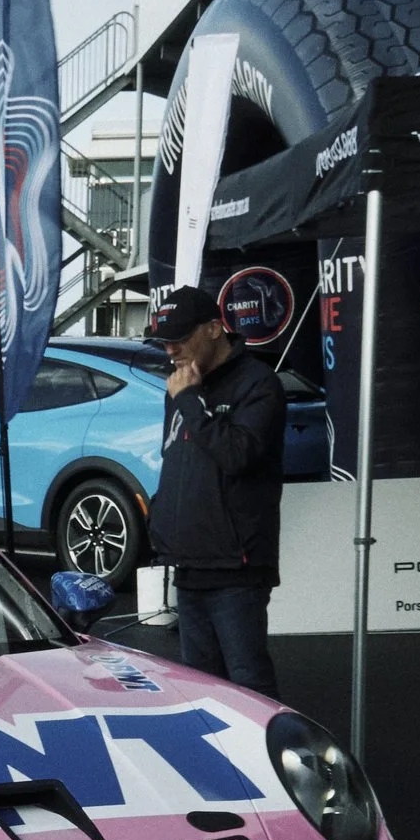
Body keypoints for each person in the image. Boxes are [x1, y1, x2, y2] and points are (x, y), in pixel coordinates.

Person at [143, 286, 285, 699]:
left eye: (180, 338)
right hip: (188, 562)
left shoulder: (258, 383)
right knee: (201, 688)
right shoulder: (182, 386)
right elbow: (176, 459)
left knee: (249, 687)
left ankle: (264, 761)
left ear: (214, 329)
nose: (170, 349)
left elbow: (238, 454)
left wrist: (190, 400)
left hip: (236, 567)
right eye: (164, 340)